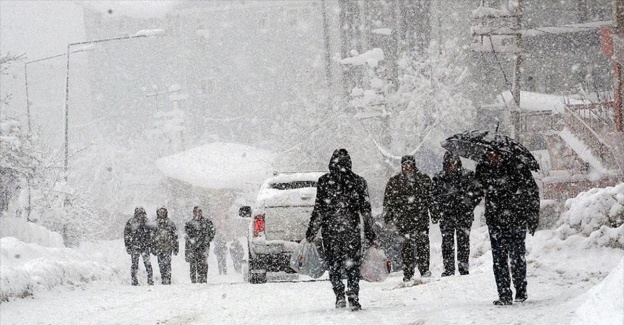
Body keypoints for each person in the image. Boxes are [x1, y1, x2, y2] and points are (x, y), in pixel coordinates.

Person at [306, 149, 376, 311]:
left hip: (331, 231)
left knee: (334, 264)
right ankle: (353, 294)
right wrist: (370, 233)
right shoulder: (358, 181)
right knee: (353, 265)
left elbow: (319, 210)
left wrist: (311, 232)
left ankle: (339, 295)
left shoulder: (324, 181)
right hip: (351, 230)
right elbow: (366, 211)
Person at [475, 150, 539, 305]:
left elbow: (531, 191)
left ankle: (521, 291)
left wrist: (532, 216)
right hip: (495, 221)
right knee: (499, 259)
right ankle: (504, 294)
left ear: (503, 154)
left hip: (516, 219)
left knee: (517, 257)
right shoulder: (483, 169)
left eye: (496, 155)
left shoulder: (517, 167)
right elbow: (476, 192)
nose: (493, 158)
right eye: (490, 155)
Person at [383, 155, 435, 282]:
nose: (407, 167)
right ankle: (408, 271)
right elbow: (388, 201)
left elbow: (431, 198)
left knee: (422, 244)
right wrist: (388, 217)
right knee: (406, 247)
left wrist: (434, 213)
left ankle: (424, 269)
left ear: (414, 164)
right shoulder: (395, 181)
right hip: (403, 219)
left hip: (420, 217)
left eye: (409, 164)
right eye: (405, 164)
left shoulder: (423, 179)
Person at [432, 152, 481, 277]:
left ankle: (463, 268)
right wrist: (438, 209)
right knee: (447, 242)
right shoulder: (439, 178)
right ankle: (449, 268)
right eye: (449, 163)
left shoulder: (468, 176)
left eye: (453, 162)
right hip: (446, 215)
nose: (451, 166)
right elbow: (433, 197)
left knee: (463, 242)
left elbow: (477, 193)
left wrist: (469, 205)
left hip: (464, 215)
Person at [185, 206, 216, 283]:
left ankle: (203, 279)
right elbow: (187, 236)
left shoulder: (207, 222)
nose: (198, 214)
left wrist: (208, 239)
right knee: (193, 264)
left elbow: (212, 231)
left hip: (203, 246)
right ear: (193, 213)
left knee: (203, 263)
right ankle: (193, 280)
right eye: (196, 212)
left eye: (199, 212)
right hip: (193, 247)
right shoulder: (189, 224)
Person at [124, 207, 154, 286]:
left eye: (143, 213)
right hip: (135, 246)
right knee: (134, 264)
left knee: (148, 264)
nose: (141, 215)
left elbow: (152, 235)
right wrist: (128, 246)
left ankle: (150, 280)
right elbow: (126, 235)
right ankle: (134, 281)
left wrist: (151, 244)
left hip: (145, 246)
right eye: (140, 213)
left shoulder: (147, 222)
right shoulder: (131, 222)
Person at [152, 207, 179, 285]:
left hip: (168, 247)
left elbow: (175, 236)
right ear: (157, 212)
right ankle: (163, 278)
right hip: (159, 247)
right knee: (161, 264)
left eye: (163, 212)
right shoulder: (155, 223)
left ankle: (168, 279)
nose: (162, 213)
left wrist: (176, 247)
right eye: (160, 212)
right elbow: (152, 236)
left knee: (167, 263)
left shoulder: (170, 223)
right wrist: (153, 247)